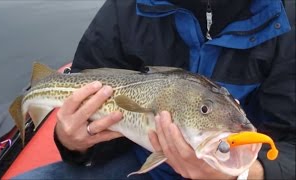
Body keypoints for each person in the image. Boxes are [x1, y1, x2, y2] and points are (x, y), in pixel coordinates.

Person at [17, 0, 295, 179]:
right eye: (204, 109)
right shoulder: (124, 9)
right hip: (140, 167)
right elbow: (91, 105)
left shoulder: (288, 20)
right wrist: (72, 142)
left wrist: (251, 174)